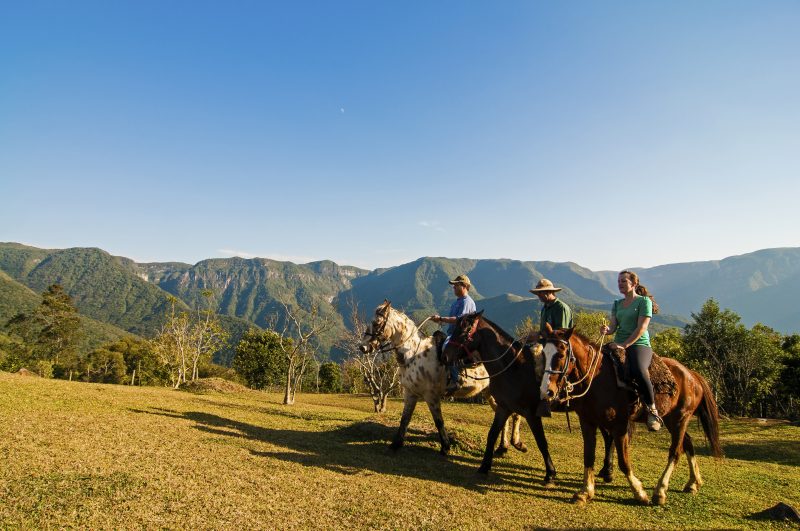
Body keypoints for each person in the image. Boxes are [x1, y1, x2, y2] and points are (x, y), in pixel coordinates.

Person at [599, 270, 662, 431]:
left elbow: (642, 328)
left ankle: (652, 410)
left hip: (639, 344)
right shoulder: (617, 303)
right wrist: (607, 330)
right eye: (619, 281)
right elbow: (613, 327)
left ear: (634, 284)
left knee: (640, 371)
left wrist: (625, 345)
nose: (620, 284)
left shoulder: (643, 302)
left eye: (623, 281)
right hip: (618, 342)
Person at [431, 274, 477, 395]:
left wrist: (441, 318)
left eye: (456, 285)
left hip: (461, 336)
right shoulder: (457, 302)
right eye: (454, 286)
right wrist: (441, 321)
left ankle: (456, 380)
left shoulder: (467, 302)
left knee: (447, 348)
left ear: (464, 286)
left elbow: (459, 320)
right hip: (452, 334)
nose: (454, 288)